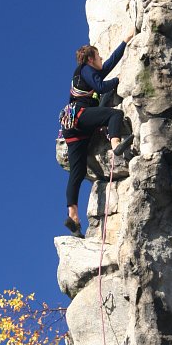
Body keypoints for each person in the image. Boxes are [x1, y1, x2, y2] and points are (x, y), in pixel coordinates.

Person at [61, 27, 135, 238]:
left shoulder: (86, 74)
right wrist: (118, 81)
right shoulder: (85, 70)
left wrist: (125, 41)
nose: (101, 58)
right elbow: (102, 87)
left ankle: (73, 216)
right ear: (91, 58)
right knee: (114, 115)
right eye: (98, 56)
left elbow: (110, 63)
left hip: (72, 129)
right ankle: (115, 145)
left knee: (78, 170)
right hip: (80, 116)